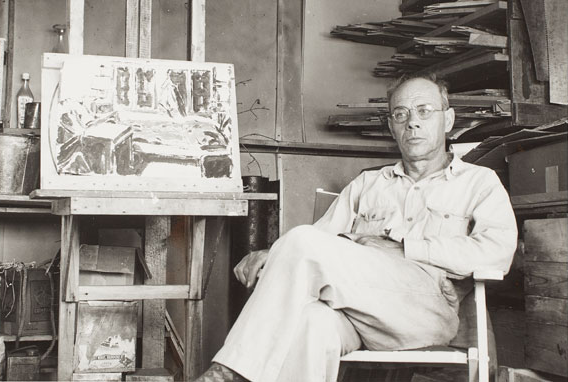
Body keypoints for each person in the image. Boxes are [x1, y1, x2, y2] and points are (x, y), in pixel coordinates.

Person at [195, 74, 518, 382]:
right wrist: (272, 253)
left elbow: (497, 253)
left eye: (424, 111)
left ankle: (230, 371)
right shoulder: (368, 183)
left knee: (301, 243)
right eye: (400, 114)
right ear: (392, 126)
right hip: (361, 315)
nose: (413, 122)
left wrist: (409, 247)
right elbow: (316, 244)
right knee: (312, 321)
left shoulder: (478, 182)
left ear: (447, 121)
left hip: (426, 314)